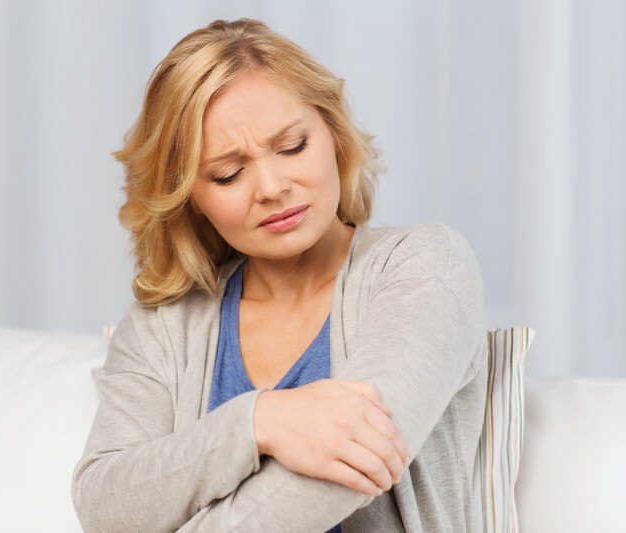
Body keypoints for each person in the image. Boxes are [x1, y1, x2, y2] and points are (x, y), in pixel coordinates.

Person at [71, 18, 487, 533]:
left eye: (292, 146)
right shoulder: (164, 324)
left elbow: (359, 453)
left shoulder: (426, 266)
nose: (271, 186)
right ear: (190, 199)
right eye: (228, 173)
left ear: (333, 134)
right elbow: (105, 504)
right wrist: (258, 423)